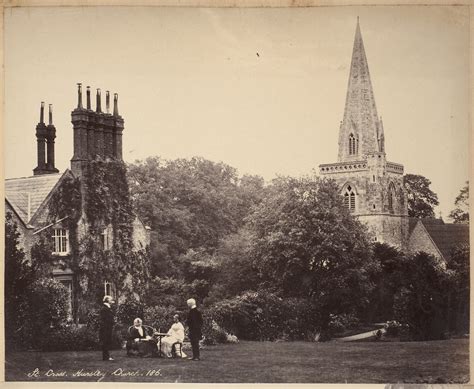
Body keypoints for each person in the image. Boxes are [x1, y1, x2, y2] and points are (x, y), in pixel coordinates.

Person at [99, 295, 115, 361]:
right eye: (111, 300)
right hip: (105, 328)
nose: (112, 301)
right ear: (107, 300)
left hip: (107, 327)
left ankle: (106, 357)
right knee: (105, 342)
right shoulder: (104, 308)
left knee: (107, 342)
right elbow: (106, 319)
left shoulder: (107, 308)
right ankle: (106, 357)